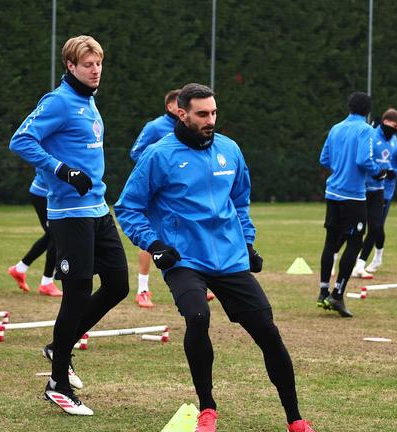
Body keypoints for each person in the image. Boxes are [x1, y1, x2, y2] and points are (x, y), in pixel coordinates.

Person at [115, 83, 315, 432]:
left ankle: (295, 419)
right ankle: (207, 409)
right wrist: (154, 244)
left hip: (228, 257)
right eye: (202, 114)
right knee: (197, 315)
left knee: (268, 332)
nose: (211, 120)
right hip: (184, 258)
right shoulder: (158, 155)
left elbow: (240, 201)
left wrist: (248, 243)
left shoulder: (230, 149)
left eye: (214, 113)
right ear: (182, 113)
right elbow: (128, 207)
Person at [9, 35, 129, 415]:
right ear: (71, 67)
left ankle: (59, 346)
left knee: (118, 285)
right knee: (77, 294)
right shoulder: (58, 101)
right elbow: (21, 140)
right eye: (87, 64)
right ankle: (57, 382)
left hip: (98, 209)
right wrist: (61, 170)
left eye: (99, 64)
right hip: (69, 213)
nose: (95, 70)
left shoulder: (89, 103)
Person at [128, 89, 215, 308]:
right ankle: (143, 289)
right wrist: (161, 169)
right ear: (172, 108)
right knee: (150, 237)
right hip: (157, 194)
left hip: (186, 195)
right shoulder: (155, 128)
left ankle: (197, 285)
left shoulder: (197, 131)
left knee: (194, 230)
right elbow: (136, 153)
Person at [317, 91, 383, 317]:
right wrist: (378, 173)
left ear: (349, 107)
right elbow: (364, 160)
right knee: (355, 242)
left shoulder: (336, 128)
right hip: (353, 196)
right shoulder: (366, 130)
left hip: (332, 193)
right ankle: (337, 294)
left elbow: (323, 159)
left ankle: (323, 291)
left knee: (330, 241)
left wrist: (340, 167)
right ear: (368, 112)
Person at [352, 109, 397, 278]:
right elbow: (362, 161)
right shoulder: (371, 136)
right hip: (362, 189)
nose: (396, 129)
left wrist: (391, 172)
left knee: (376, 227)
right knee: (354, 227)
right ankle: (336, 259)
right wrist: (377, 171)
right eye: (394, 125)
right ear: (385, 121)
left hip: (381, 191)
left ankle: (363, 264)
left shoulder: (395, 142)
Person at [6, 169, 63, 297]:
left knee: (52, 235)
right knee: (56, 235)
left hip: (48, 194)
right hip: (44, 195)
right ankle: (46, 283)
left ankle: (20, 269)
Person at [364, 140, 397, 273]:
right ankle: (357, 258)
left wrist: (393, 172)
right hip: (366, 190)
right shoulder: (370, 144)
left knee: (377, 226)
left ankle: (377, 258)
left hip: (385, 193)